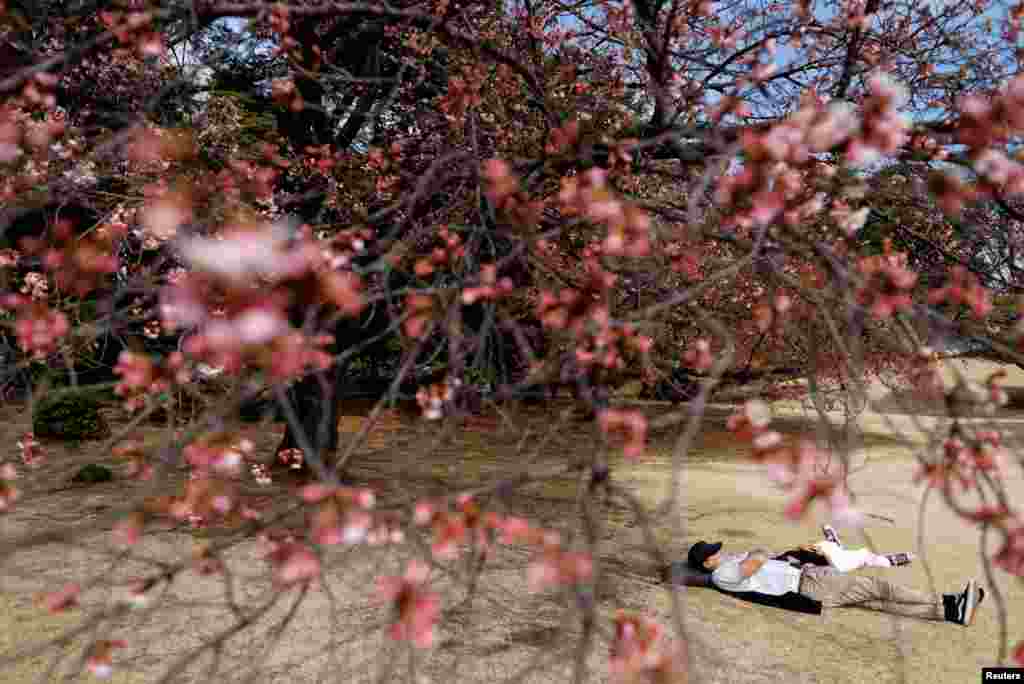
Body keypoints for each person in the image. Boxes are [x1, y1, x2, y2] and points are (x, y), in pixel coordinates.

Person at [685, 529, 984, 626]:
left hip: (808, 582)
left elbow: (758, 566)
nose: (719, 553)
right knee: (880, 587)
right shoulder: (722, 574)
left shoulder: (725, 568)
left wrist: (786, 556)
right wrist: (759, 552)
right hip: (809, 584)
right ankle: (947, 602)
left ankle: (950, 613)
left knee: (877, 601)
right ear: (707, 562)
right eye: (714, 553)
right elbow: (752, 566)